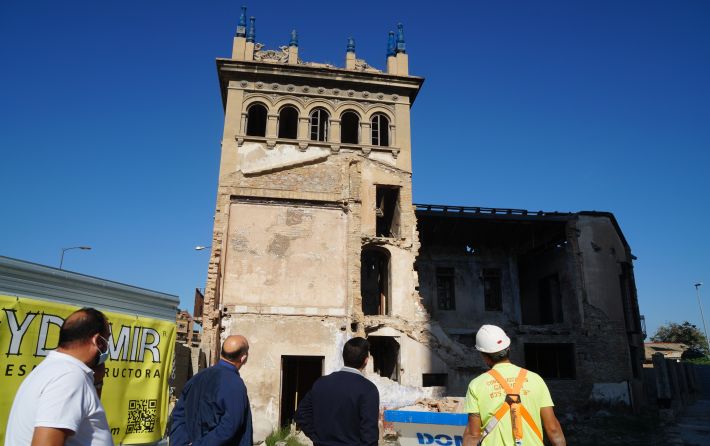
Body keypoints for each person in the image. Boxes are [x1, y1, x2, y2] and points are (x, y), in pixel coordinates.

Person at [4, 307, 114, 446]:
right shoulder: (69, 377)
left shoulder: (55, 368)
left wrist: (97, 382)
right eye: (107, 340)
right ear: (98, 341)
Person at [463, 325, 566, 446]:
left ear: (484, 355)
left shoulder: (476, 385)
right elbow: (553, 429)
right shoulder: (535, 379)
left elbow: (473, 436)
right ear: (508, 348)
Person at [170, 335, 253, 446]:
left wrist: (180, 442)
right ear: (243, 358)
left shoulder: (197, 378)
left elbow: (179, 414)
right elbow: (229, 426)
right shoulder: (235, 385)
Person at [295, 337, 379, 446]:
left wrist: (317, 438)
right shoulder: (368, 389)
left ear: (344, 356)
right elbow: (370, 436)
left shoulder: (321, 383)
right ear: (366, 360)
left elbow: (301, 415)